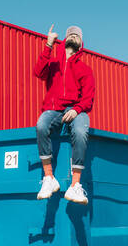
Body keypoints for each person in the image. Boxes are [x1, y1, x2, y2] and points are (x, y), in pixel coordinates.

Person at [33, 24, 95, 205]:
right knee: (41, 126)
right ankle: (49, 178)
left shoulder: (85, 69)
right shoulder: (52, 63)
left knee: (81, 131)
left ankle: (75, 185)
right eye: (71, 34)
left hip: (76, 108)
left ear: (81, 43)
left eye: (77, 35)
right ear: (66, 40)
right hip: (54, 109)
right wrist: (48, 45)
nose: (74, 36)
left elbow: (88, 97)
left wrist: (76, 109)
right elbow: (38, 71)